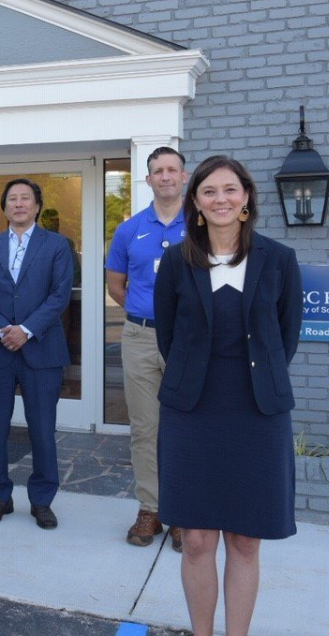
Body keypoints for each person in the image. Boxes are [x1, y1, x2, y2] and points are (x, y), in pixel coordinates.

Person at [154, 155, 302, 636]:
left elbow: (286, 336)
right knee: (196, 539)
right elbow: (168, 337)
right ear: (194, 202)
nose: (221, 199)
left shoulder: (278, 259)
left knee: (245, 540)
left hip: (256, 413)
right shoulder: (176, 261)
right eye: (210, 191)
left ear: (246, 198)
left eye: (230, 190)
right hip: (192, 410)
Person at [0, 178, 73, 531]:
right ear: (4, 207)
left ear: (36, 206)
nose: (18, 204)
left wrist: (25, 330)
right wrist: (3, 329)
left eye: (25, 198)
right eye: (12, 199)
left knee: (42, 428)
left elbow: (60, 295)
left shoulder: (58, 245)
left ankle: (42, 500)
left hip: (42, 349)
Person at [105, 146, 187, 551]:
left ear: (184, 176)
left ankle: (185, 513)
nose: (166, 176)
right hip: (139, 337)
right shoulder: (129, 229)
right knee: (145, 428)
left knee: (187, 425)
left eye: (172, 169)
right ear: (149, 179)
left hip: (189, 340)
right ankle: (151, 508)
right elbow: (116, 285)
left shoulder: (204, 226)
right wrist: (145, 312)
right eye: (158, 171)